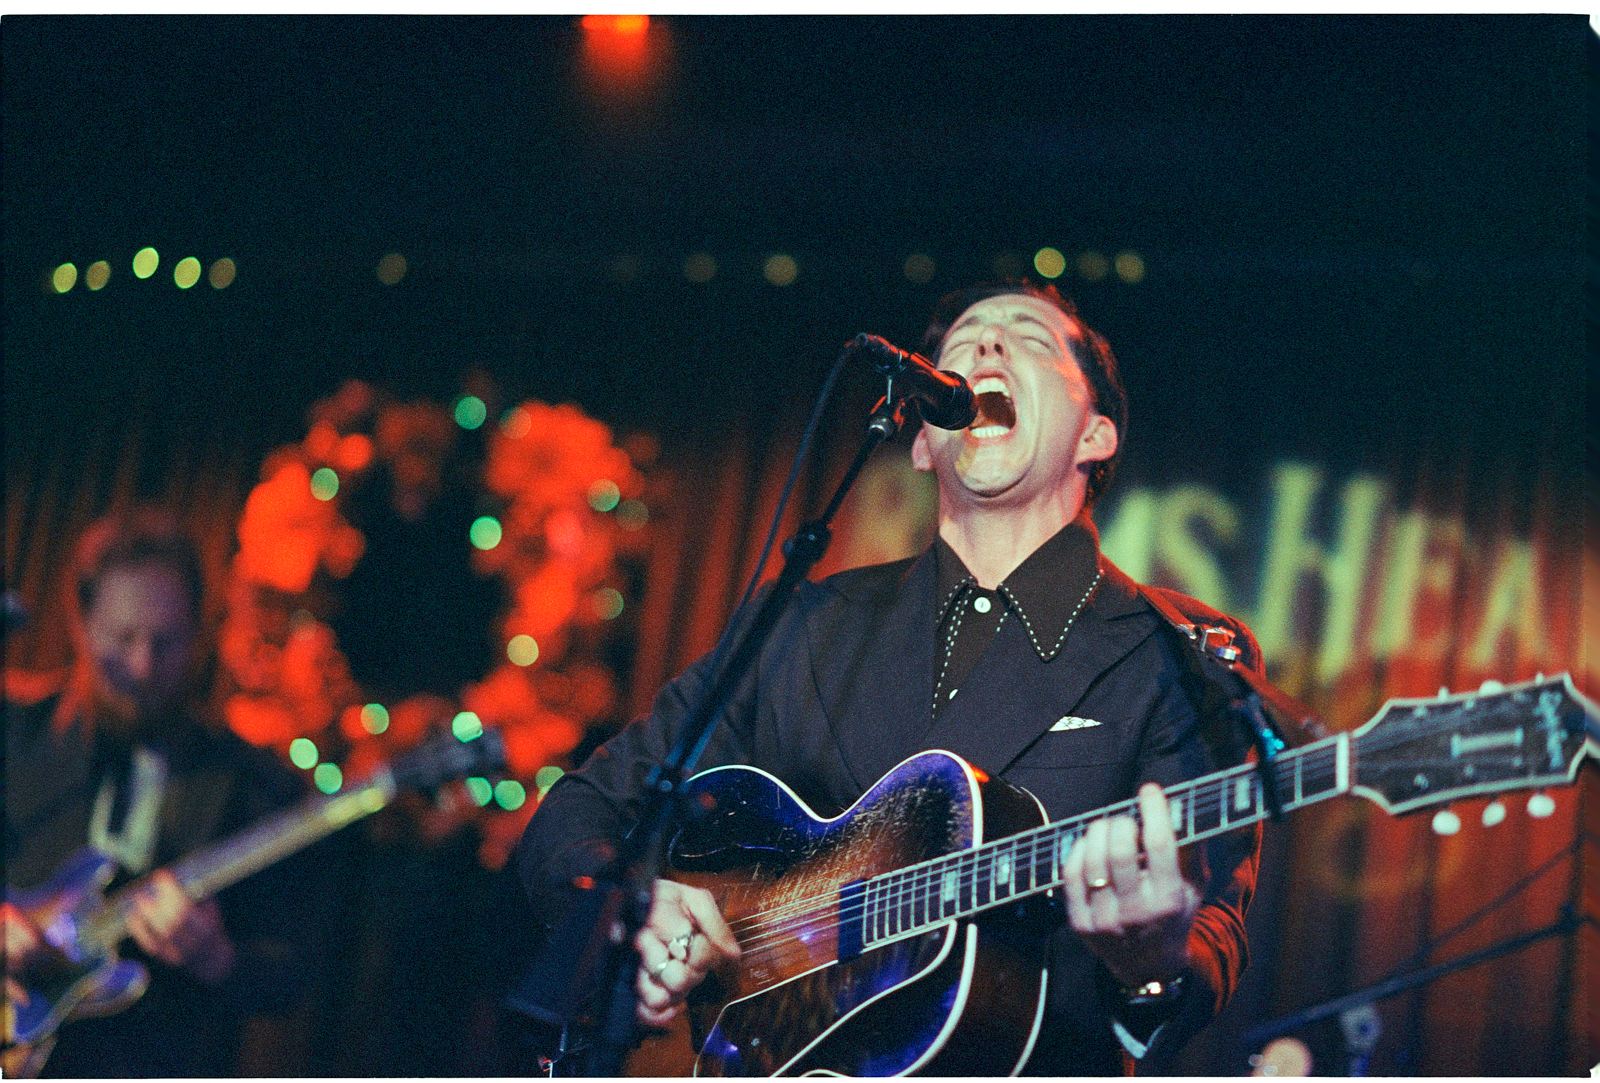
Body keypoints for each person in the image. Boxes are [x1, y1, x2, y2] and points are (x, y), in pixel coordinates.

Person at [516, 281, 1261, 1075]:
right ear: (920, 442)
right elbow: (587, 807)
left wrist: (1153, 959)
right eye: (964, 342)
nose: (989, 347)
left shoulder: (1176, 649)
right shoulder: (803, 623)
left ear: (1097, 435)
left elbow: (1213, 922)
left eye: (1030, 339)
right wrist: (630, 922)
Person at [4, 508, 317, 1076]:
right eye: (122, 639)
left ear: (201, 632)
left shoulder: (255, 785)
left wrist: (220, 960)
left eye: (166, 642)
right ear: (81, 624)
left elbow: (292, 975)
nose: (144, 667)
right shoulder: (11, 732)